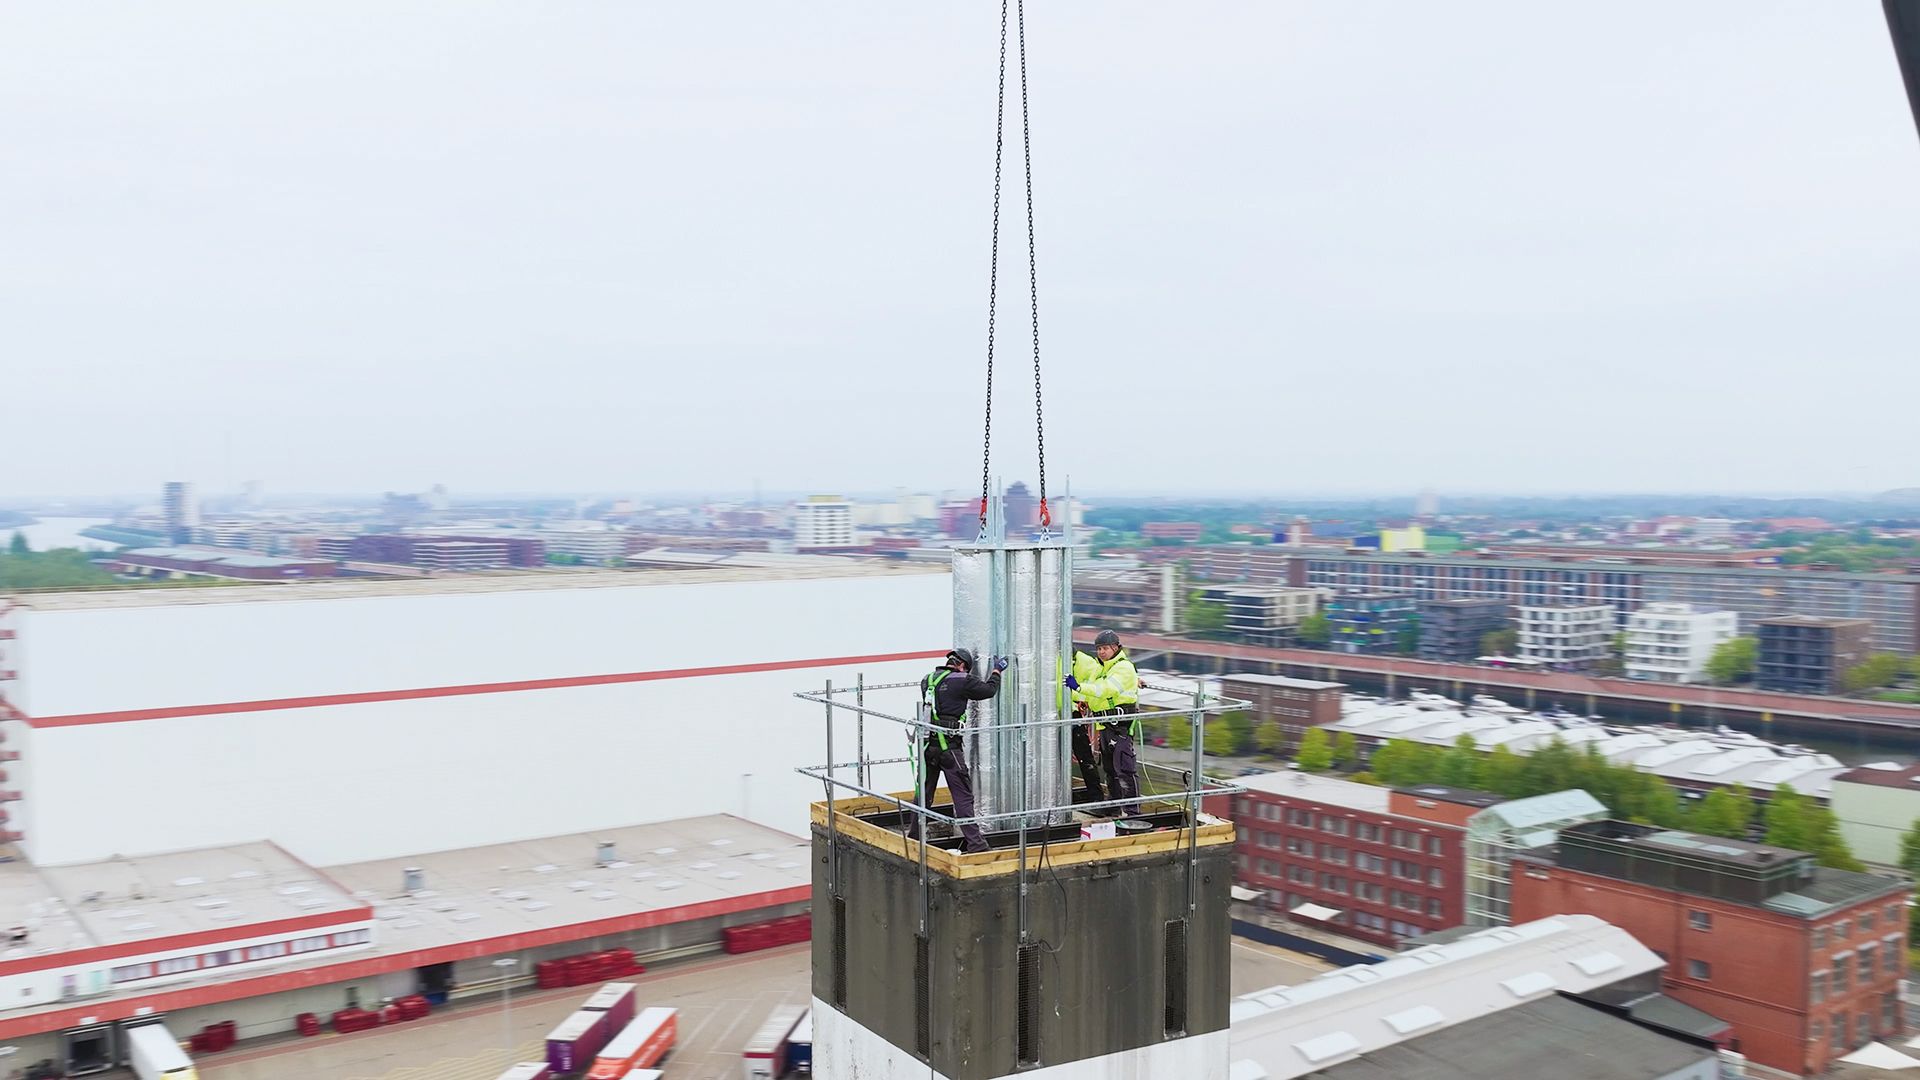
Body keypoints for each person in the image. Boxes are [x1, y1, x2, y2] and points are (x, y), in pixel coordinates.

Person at [914, 647, 1006, 853]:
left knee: (924, 794)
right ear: (963, 666)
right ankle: (976, 844)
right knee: (963, 796)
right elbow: (989, 691)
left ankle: (913, 838)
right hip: (949, 749)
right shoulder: (961, 680)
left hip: (928, 746)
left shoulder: (927, 679)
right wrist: (997, 671)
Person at [1067, 629, 1139, 815]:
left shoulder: (1123, 667)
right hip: (1106, 724)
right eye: (1099, 649)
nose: (1101, 652)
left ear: (1116, 648)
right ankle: (1113, 806)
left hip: (1120, 724)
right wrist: (1073, 693)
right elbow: (1092, 695)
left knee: (1124, 768)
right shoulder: (1102, 668)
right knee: (1109, 769)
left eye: (1105, 648)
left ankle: (1132, 811)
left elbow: (1105, 690)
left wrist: (1079, 686)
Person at [1065, 647, 1106, 803]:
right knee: (1084, 758)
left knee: (1085, 757)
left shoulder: (1085, 662)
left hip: (1070, 712)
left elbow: (1104, 677)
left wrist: (1079, 697)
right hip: (1058, 711)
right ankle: (1096, 797)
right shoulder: (1053, 659)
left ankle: (1096, 798)